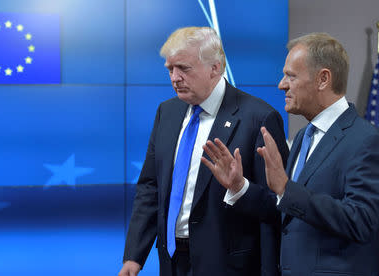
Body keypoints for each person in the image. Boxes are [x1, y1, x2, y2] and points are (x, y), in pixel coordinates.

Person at [204, 32, 379, 275]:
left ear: (323, 79)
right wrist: (240, 186)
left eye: (290, 76)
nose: (281, 84)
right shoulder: (305, 136)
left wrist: (285, 188)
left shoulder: (365, 140)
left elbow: (360, 221)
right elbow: (288, 209)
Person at [119, 26, 288, 276]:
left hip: (229, 266)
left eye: (184, 68)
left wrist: (239, 187)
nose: (175, 77)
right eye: (170, 69)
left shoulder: (258, 118)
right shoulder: (167, 113)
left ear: (215, 68)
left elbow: (278, 204)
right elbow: (150, 188)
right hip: (172, 262)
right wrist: (134, 256)